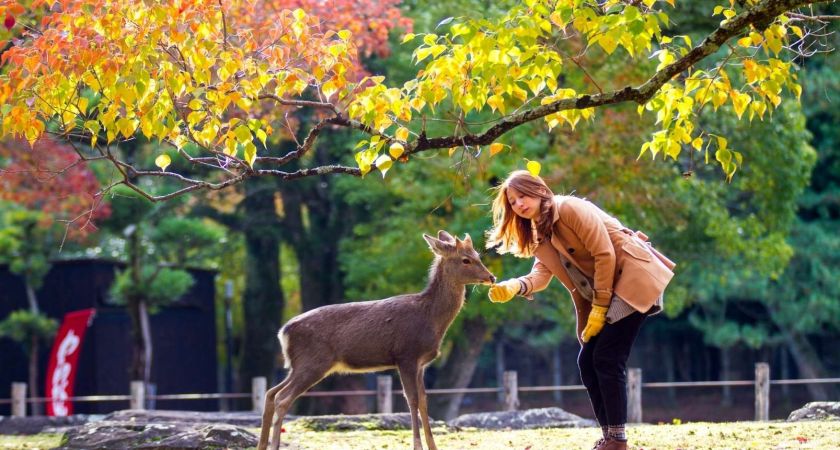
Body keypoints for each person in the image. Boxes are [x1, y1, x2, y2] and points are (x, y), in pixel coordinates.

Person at [486, 170, 676, 450]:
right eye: (513, 202)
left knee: (607, 358)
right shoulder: (539, 231)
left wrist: (599, 307)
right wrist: (516, 286)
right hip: (607, 290)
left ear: (539, 190)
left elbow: (605, 254)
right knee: (587, 362)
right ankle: (610, 436)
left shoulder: (569, 208)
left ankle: (618, 440)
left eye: (522, 196)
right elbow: (542, 273)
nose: (519, 205)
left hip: (632, 277)